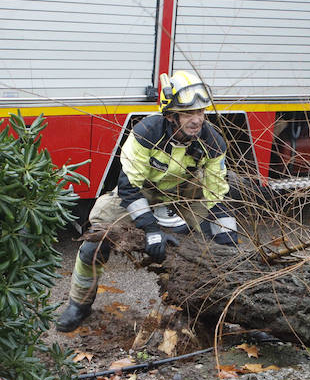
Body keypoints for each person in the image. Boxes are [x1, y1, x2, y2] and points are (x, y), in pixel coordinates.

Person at [56, 70, 240, 332]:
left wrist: (228, 235)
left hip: (184, 194)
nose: (197, 120)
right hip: (141, 191)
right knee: (94, 243)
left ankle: (223, 313)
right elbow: (129, 186)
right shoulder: (146, 133)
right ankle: (79, 305)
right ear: (170, 115)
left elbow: (216, 194)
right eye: (189, 113)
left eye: (200, 112)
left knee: (223, 244)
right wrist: (151, 229)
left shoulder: (213, 142)